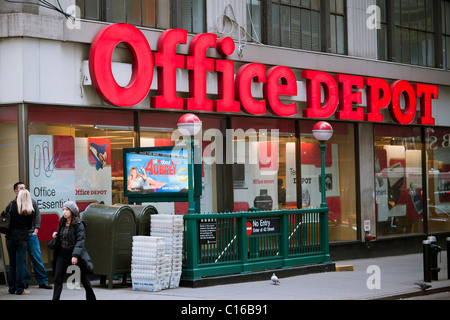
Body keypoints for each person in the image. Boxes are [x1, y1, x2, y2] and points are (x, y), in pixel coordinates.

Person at [51, 201, 96, 300]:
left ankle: (92, 298)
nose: (64, 212)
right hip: (62, 254)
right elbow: (60, 235)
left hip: (75, 254)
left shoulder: (78, 223)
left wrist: (75, 255)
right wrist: (55, 235)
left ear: (72, 211)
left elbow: (80, 240)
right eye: (63, 209)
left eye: (67, 210)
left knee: (83, 279)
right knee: (57, 278)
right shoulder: (62, 222)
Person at [12, 182, 52, 290]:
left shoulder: (32, 201)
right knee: (20, 260)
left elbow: (37, 216)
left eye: (25, 188)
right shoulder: (13, 204)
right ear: (16, 191)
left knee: (37, 258)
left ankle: (43, 281)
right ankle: (25, 281)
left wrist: (36, 231)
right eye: (21, 188)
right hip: (19, 237)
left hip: (31, 235)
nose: (24, 190)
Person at [5, 189, 35, 295]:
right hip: (22, 239)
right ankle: (20, 289)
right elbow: (29, 226)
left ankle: (11, 288)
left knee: (12, 264)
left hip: (10, 238)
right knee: (21, 264)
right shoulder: (29, 210)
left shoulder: (11, 206)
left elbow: (5, 216)